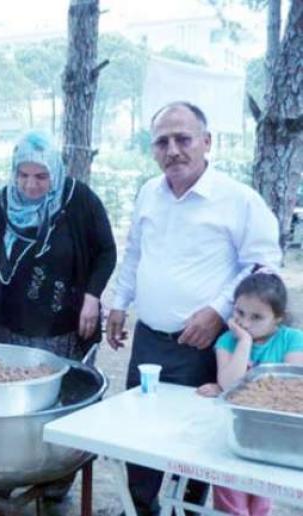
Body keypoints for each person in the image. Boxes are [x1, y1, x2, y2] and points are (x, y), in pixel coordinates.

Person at [107, 101, 282, 515]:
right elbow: (134, 254)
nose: (173, 150)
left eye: (183, 139)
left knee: (199, 445)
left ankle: (187, 511)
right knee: (141, 437)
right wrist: (118, 303)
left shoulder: (238, 200)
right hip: (149, 343)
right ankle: (142, 509)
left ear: (207, 142)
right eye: (162, 142)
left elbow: (262, 264)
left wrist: (220, 311)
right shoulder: (149, 193)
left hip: (206, 345)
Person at [0, 130, 116, 361]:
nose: (30, 185)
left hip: (68, 330)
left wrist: (92, 297)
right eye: (23, 175)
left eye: (41, 176)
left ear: (55, 172)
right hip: (11, 330)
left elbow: (106, 252)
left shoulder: (79, 200)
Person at [196, 272, 303, 516]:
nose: (244, 323)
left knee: (262, 500)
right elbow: (231, 383)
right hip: (235, 435)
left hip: (276, 437)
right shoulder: (227, 340)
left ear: (278, 318)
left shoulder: (293, 339)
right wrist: (244, 342)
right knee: (232, 502)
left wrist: (226, 389)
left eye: (257, 317)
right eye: (239, 313)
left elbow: (292, 388)